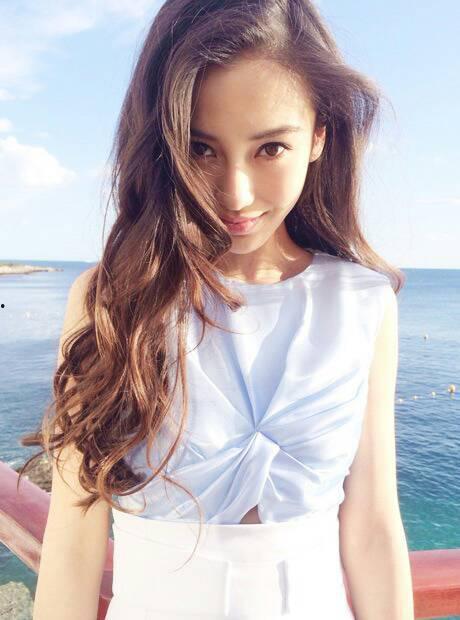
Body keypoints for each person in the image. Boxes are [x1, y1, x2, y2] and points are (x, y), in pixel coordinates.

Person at [20, 0, 415, 618]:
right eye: (201, 149)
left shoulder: (364, 303)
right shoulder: (112, 301)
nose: (236, 193)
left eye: (270, 148)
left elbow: (372, 527)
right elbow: (73, 542)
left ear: (319, 136)